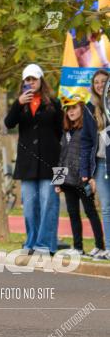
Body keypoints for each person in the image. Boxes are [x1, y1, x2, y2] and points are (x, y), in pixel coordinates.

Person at [4, 64, 63, 255]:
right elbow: (8, 123)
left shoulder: (54, 103)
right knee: (29, 207)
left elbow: (61, 133)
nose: (30, 83)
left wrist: (62, 170)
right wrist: (18, 103)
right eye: (27, 80)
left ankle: (46, 245)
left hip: (52, 163)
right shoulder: (20, 104)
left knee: (49, 204)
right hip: (27, 164)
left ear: (41, 80)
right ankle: (31, 243)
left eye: (34, 79)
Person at [56, 98, 105, 258]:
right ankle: (78, 248)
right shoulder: (66, 132)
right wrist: (58, 181)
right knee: (73, 213)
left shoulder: (86, 129)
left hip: (83, 180)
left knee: (91, 212)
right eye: (68, 108)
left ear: (82, 109)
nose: (70, 111)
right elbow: (61, 156)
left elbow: (91, 154)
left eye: (74, 107)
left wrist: (90, 176)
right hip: (67, 181)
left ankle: (100, 246)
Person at [80, 68, 110, 252]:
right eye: (96, 82)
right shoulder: (89, 108)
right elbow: (85, 141)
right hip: (99, 165)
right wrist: (85, 171)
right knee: (106, 207)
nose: (99, 85)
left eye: (103, 81)